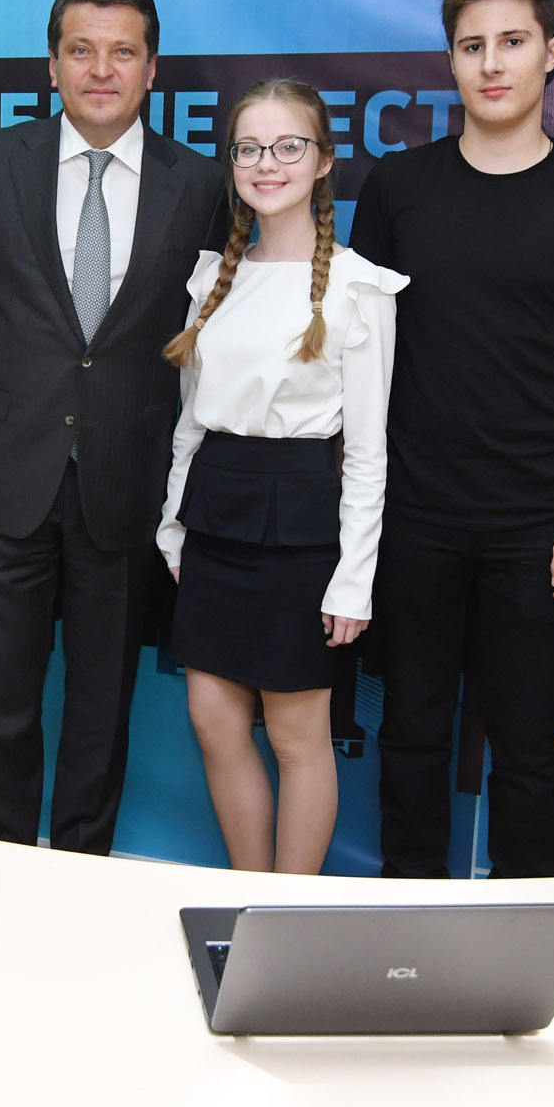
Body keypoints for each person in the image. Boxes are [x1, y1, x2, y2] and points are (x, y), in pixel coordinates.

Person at [347, 0, 554, 879]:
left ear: (551, 53)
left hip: (542, 523)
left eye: (512, 42)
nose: (492, 64)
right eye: (472, 45)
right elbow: (361, 357)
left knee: (527, 749)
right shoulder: (398, 187)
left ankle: (524, 939)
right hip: (415, 515)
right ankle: (405, 919)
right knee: (410, 734)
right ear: (450, 60)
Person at [0, 0, 227, 855]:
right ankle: (1, 868)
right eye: (81, 51)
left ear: (152, 69)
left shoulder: (202, 185)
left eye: (122, 52)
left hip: (126, 484)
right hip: (9, 482)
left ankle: (82, 874)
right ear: (52, 65)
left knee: (103, 711)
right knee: (3, 704)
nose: (101, 70)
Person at [158, 81, 404, 874]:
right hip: (215, 515)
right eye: (250, 149)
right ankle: (248, 892)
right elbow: (190, 421)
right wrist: (174, 524)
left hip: (299, 524)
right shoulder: (212, 278)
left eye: (288, 146)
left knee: (298, 737)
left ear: (324, 161)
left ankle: (290, 911)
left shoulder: (360, 287)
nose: (268, 164)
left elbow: (367, 451)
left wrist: (354, 582)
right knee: (213, 719)